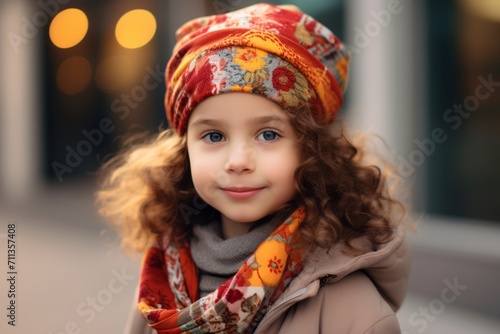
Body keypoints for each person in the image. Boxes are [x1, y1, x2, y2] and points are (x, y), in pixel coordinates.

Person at [96, 3, 410, 333]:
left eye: (268, 134)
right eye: (214, 135)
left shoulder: (354, 313)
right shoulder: (158, 289)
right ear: (184, 149)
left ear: (312, 149)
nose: (238, 161)